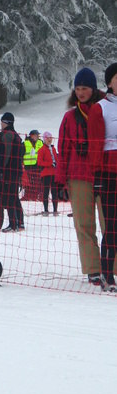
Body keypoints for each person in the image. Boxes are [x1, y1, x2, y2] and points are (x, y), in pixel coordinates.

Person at [56, 67, 107, 286]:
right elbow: (63, 149)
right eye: (77, 88)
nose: (80, 92)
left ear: (93, 89)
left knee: (109, 223)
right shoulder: (69, 117)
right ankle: (92, 268)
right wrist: (60, 179)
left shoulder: (105, 110)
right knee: (84, 225)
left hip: (104, 174)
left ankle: (112, 267)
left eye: (84, 88)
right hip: (78, 177)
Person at [88, 62, 117, 292]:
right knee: (113, 225)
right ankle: (107, 273)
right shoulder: (100, 108)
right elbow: (95, 145)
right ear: (109, 82)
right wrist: (97, 177)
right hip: (109, 173)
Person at [0, 112, 24, 232]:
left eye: (2, 122)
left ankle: (13, 224)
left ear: (5, 122)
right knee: (14, 197)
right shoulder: (16, 135)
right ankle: (20, 223)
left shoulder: (8, 135)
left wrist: (0, 169)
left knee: (9, 197)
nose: (1, 124)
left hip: (9, 171)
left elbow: (6, 154)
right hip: (16, 170)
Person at [37, 131, 59, 216]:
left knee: (54, 192)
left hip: (54, 173)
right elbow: (39, 162)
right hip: (46, 174)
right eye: (48, 138)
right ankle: (46, 210)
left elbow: (56, 160)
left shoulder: (53, 149)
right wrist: (50, 163)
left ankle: (55, 210)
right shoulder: (41, 150)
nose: (50, 140)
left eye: (51, 138)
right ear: (44, 139)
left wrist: (57, 164)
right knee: (46, 192)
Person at [22, 129, 43, 200]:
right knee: (28, 182)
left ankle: (36, 196)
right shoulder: (25, 143)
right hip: (28, 166)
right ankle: (28, 196)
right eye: (37, 135)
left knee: (38, 182)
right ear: (32, 136)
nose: (38, 136)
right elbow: (21, 154)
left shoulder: (41, 142)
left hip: (38, 166)